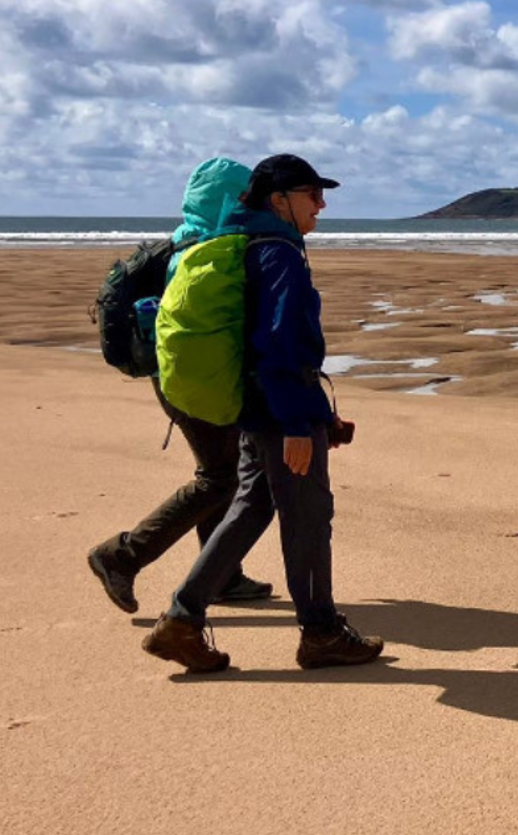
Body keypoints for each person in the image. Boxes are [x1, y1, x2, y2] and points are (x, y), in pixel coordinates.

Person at [141, 154, 384, 674]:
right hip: (279, 413)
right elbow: (279, 345)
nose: (322, 203)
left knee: (251, 506)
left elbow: (266, 348)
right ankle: (321, 634)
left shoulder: (243, 245)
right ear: (279, 200)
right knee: (309, 516)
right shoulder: (279, 253)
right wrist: (299, 423)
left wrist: (319, 416)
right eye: (311, 193)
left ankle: (182, 621)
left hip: (255, 407)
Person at [85, 158, 272, 615]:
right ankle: (121, 555)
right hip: (193, 379)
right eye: (249, 194)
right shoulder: (208, 247)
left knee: (225, 475)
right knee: (220, 477)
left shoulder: (182, 239)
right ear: (232, 197)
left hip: (179, 377)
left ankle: (223, 573)